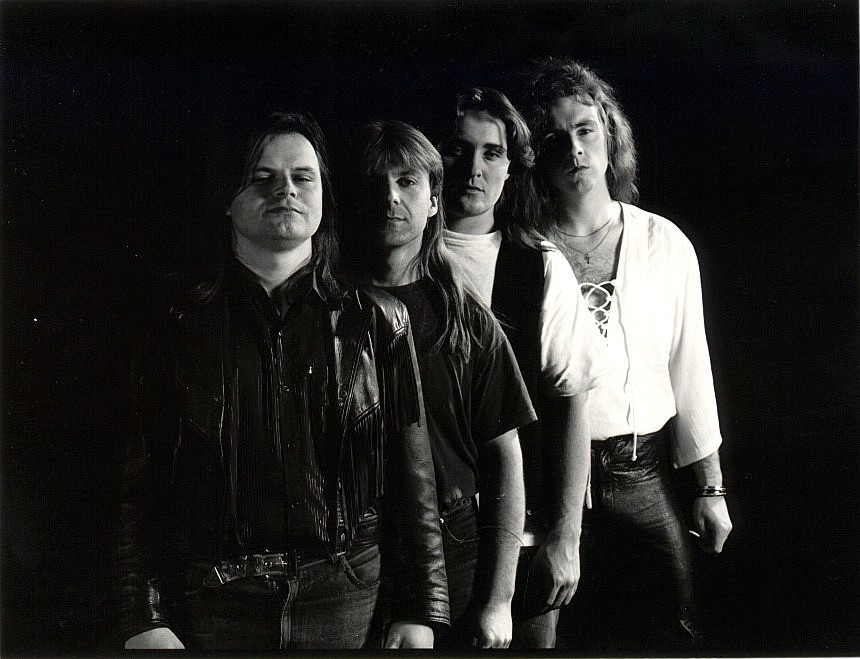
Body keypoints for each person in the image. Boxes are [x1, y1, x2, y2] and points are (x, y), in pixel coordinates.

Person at [113, 112, 449, 650]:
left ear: (323, 196)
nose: (285, 190)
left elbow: (414, 482)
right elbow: (137, 483)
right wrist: (142, 617)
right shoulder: (172, 325)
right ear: (228, 198)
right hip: (213, 604)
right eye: (262, 177)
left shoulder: (381, 320)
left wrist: (421, 609)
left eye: (302, 177)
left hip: (344, 600)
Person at [517, 57, 733, 651]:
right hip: (547, 484)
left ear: (610, 137)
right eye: (554, 138)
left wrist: (710, 490)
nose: (574, 149)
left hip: (641, 471)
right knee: (543, 638)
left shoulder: (663, 242)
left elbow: (691, 371)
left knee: (673, 629)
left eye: (585, 130)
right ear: (534, 156)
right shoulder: (523, 252)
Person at [344, 119, 535, 649]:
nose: (390, 196)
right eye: (377, 182)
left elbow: (505, 459)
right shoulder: (327, 308)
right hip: (351, 551)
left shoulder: (465, 319)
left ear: (433, 200)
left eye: (407, 181)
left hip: (455, 548)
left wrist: (498, 599)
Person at [437, 87, 608, 648]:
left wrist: (566, 537)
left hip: (523, 538)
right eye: (459, 149)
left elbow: (572, 400)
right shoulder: (400, 256)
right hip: (421, 539)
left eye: (492, 153)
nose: (474, 168)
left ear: (512, 167)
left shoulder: (539, 266)